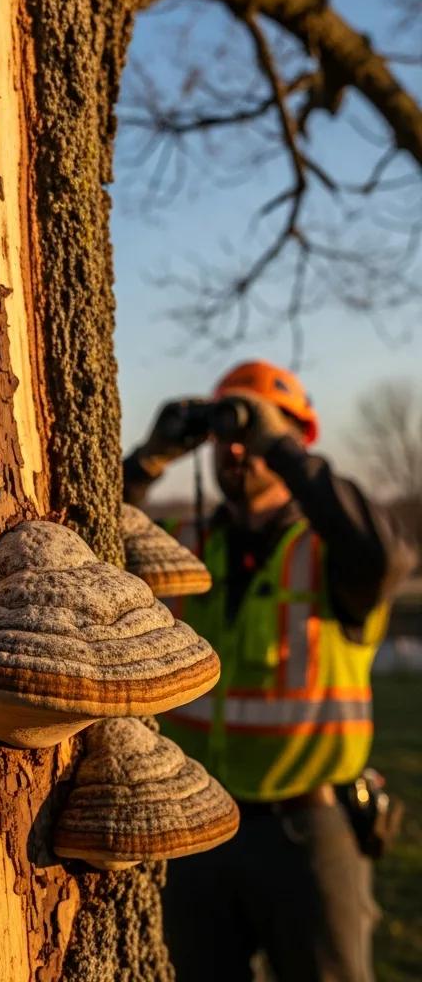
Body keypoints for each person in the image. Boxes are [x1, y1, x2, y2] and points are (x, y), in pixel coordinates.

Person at [123, 359, 415, 982]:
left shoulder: (332, 555)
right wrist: (150, 458)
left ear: (296, 438)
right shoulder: (181, 542)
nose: (236, 448)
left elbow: (384, 554)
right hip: (193, 825)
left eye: (251, 430)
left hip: (307, 832)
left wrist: (277, 445)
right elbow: (86, 531)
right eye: (225, 431)